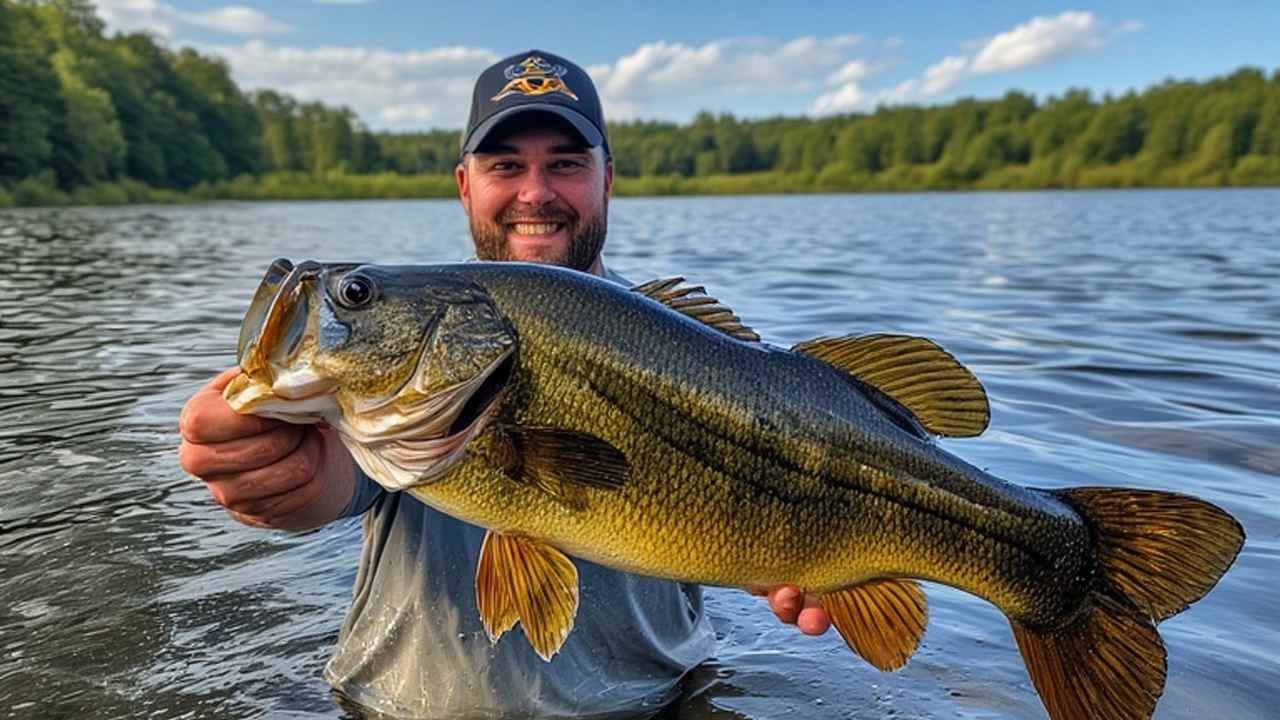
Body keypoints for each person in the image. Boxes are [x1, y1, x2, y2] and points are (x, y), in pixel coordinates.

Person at [177, 50, 829, 719]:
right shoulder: (419, 357)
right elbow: (329, 482)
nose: (535, 192)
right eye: (506, 165)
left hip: (662, 703)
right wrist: (273, 473)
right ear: (465, 185)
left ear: (607, 181)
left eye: (566, 164)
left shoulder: (687, 345)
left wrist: (795, 535)